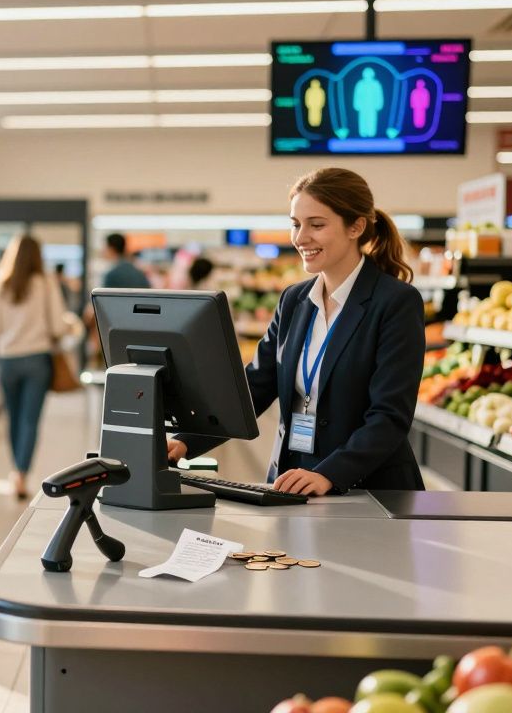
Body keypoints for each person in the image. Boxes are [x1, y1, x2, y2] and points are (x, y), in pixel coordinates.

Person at [167, 167, 425, 496]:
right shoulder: (295, 299)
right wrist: (185, 441)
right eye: (295, 224)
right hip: (291, 481)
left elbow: (390, 415)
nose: (301, 238)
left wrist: (329, 474)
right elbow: (254, 387)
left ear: (356, 227)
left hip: (369, 490)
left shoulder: (395, 303)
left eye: (316, 225)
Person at [0, 234, 70, 500]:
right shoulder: (46, 284)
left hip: (7, 359)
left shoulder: (1, 285)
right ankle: (21, 474)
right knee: (30, 420)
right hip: (37, 359)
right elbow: (57, 325)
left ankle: (15, 470)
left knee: (13, 416)